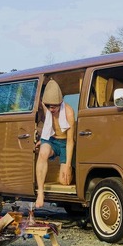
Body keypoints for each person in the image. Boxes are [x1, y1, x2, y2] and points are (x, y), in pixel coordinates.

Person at [35, 79, 75, 208]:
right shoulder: (46, 108)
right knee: (43, 153)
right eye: (48, 106)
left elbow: (70, 141)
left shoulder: (68, 112)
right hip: (51, 139)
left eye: (54, 107)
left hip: (64, 143)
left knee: (65, 181)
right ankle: (40, 193)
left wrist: (68, 165)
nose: (51, 109)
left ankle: (70, 171)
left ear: (60, 102)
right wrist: (42, 138)